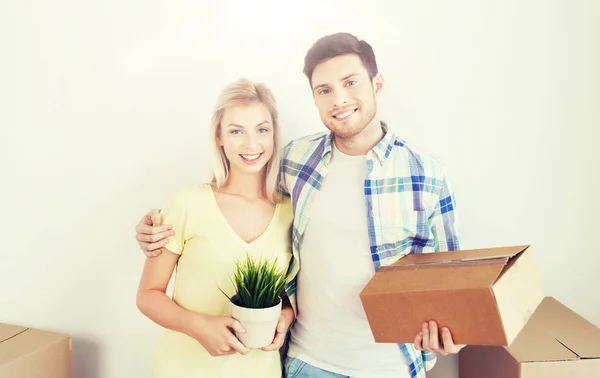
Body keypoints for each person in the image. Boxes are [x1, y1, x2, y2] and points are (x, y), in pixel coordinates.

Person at [135, 33, 464, 378]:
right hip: (308, 363)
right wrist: (150, 229)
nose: (339, 99)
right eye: (324, 90)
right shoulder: (297, 162)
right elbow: (232, 196)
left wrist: (454, 334)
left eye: (350, 83)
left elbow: (456, 285)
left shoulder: (426, 174)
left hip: (389, 367)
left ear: (376, 84)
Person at [135, 78, 295, 378]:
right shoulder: (187, 204)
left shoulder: (292, 213)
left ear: (274, 135)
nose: (251, 144)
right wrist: (199, 327)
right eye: (236, 131)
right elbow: (147, 295)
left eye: (262, 130)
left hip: (259, 370)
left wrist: (285, 317)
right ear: (219, 136)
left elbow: (291, 295)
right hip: (182, 369)